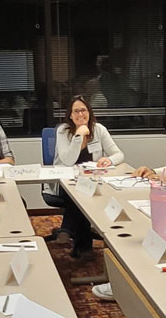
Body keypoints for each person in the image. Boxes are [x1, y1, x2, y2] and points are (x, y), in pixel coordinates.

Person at [46, 95, 125, 258]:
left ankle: (68, 232)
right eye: (76, 111)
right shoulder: (63, 131)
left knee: (84, 192)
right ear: (70, 115)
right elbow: (68, 161)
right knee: (80, 194)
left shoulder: (99, 129)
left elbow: (119, 154)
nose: (80, 114)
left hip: (92, 179)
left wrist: (108, 159)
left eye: (83, 110)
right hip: (65, 180)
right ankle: (83, 246)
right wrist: (79, 136)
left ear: (89, 112)